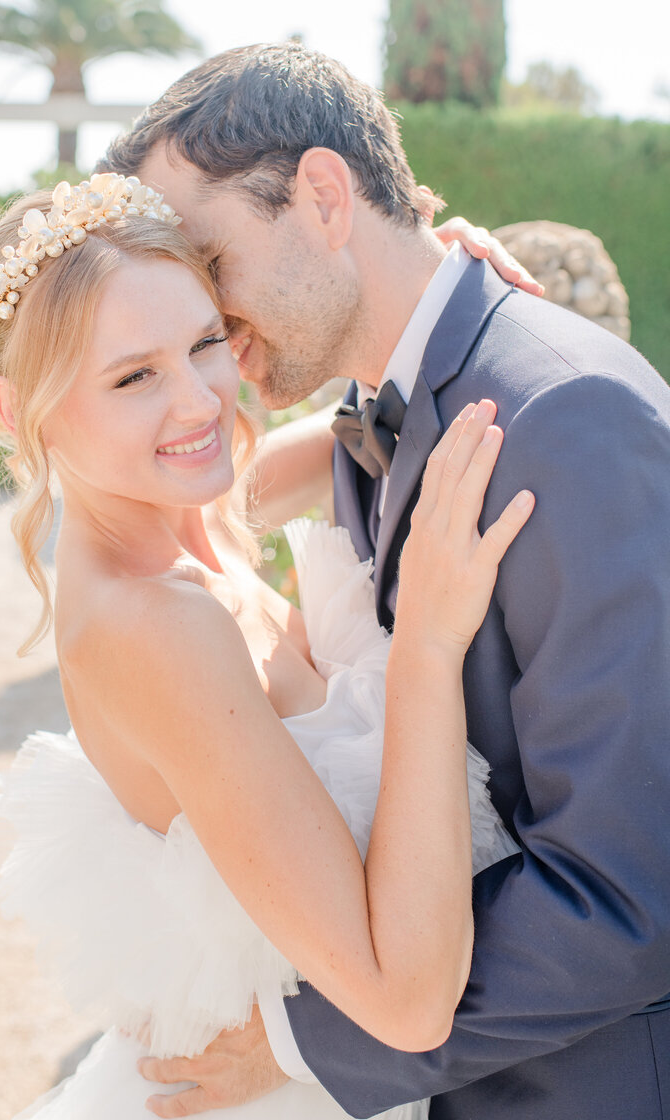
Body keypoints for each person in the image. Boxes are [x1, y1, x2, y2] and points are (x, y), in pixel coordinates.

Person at [97, 42, 670, 1120]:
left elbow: (632, 889)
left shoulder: (563, 417)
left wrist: (305, 1043)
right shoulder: (381, 399)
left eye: (210, 264)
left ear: (320, 195)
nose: (204, 324)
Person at [0, 174, 530, 1119]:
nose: (198, 404)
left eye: (203, 342)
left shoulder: (186, 511)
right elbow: (407, 1001)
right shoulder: (155, 621)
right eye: (133, 376)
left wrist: (428, 290)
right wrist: (428, 645)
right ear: (19, 412)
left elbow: (344, 424)